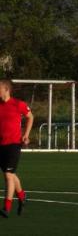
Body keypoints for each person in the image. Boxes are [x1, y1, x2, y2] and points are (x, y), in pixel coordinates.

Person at [0, 79, 34, 218]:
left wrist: (25, 135)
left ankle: (6, 208)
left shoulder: (17, 104)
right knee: (11, 175)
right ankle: (22, 197)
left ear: (6, 89)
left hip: (14, 144)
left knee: (8, 175)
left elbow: (30, 117)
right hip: (1, 145)